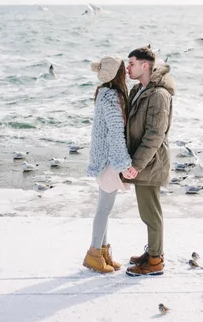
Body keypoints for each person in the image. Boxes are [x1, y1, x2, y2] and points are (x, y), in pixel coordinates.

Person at [83, 54, 138, 273]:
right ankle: (94, 254)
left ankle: (102, 252)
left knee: (104, 208)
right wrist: (124, 164)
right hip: (108, 161)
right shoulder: (111, 98)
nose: (126, 71)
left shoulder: (105, 93)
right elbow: (115, 134)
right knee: (104, 209)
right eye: (123, 68)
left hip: (104, 158)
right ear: (115, 73)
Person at [123, 46, 174, 277]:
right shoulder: (139, 90)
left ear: (145, 65)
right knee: (148, 212)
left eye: (131, 63)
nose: (128, 67)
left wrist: (136, 165)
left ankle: (155, 261)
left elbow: (155, 134)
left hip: (151, 162)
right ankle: (154, 252)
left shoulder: (159, 95)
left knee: (151, 213)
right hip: (144, 161)